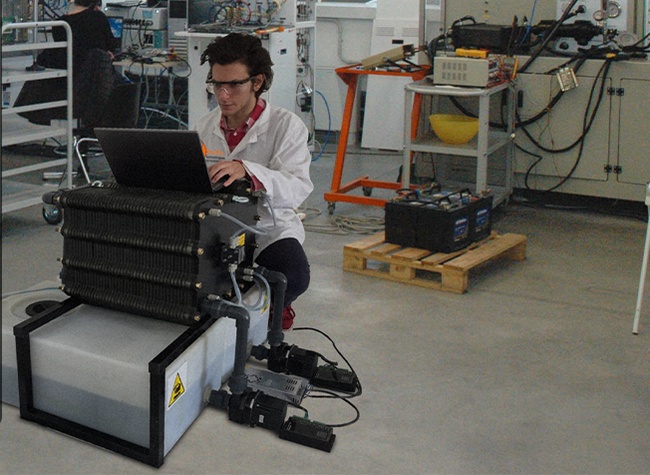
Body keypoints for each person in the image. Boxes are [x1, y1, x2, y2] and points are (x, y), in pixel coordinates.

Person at [195, 33, 313, 331]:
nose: (223, 95)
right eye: (217, 85)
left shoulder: (286, 126)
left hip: (267, 227)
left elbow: (297, 187)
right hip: (217, 225)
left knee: (293, 276)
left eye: (234, 85)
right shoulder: (205, 126)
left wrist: (248, 171)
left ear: (257, 82)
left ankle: (271, 312)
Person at [37, 0, 116, 70]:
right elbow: (111, 46)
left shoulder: (59, 24)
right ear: (95, 4)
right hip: (94, 74)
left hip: (69, 73)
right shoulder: (98, 17)